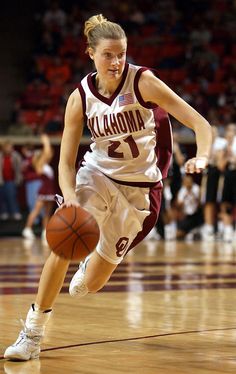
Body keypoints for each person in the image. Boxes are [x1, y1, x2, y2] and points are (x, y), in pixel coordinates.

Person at [4, 14, 212, 361]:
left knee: (92, 285)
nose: (116, 62)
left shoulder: (143, 82)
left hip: (140, 190)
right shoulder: (80, 97)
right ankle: (32, 332)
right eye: (108, 55)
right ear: (90, 54)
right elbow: (66, 162)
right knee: (63, 240)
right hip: (97, 176)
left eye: (122, 54)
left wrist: (202, 156)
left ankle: (91, 267)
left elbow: (200, 123)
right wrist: (70, 200)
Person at [22, 134, 56, 242]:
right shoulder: (39, 163)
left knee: (47, 213)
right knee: (36, 210)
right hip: (44, 189)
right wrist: (46, 141)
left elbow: (49, 153)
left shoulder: (44, 163)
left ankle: (45, 231)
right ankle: (27, 229)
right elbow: (47, 152)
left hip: (50, 189)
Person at [0, 140, 23, 221]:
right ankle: (4, 212)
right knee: (2, 197)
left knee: (12, 196)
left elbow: (20, 167)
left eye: (11, 147)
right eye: (8, 147)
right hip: (1, 180)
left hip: (11, 180)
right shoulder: (1, 156)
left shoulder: (15, 155)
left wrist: (19, 178)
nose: (10, 149)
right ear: (3, 148)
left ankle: (15, 212)